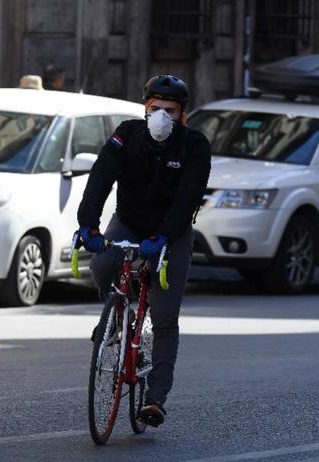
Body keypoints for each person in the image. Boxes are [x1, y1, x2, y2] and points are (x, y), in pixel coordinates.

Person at [76, 75, 211, 427]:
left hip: (172, 233)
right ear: (144, 109)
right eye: (155, 109)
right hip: (130, 222)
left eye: (170, 110)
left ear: (182, 115)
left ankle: (155, 397)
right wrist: (88, 223)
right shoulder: (127, 133)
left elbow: (188, 198)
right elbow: (101, 175)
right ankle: (117, 317)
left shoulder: (195, 145)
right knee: (103, 265)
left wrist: (165, 235)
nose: (161, 116)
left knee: (165, 317)